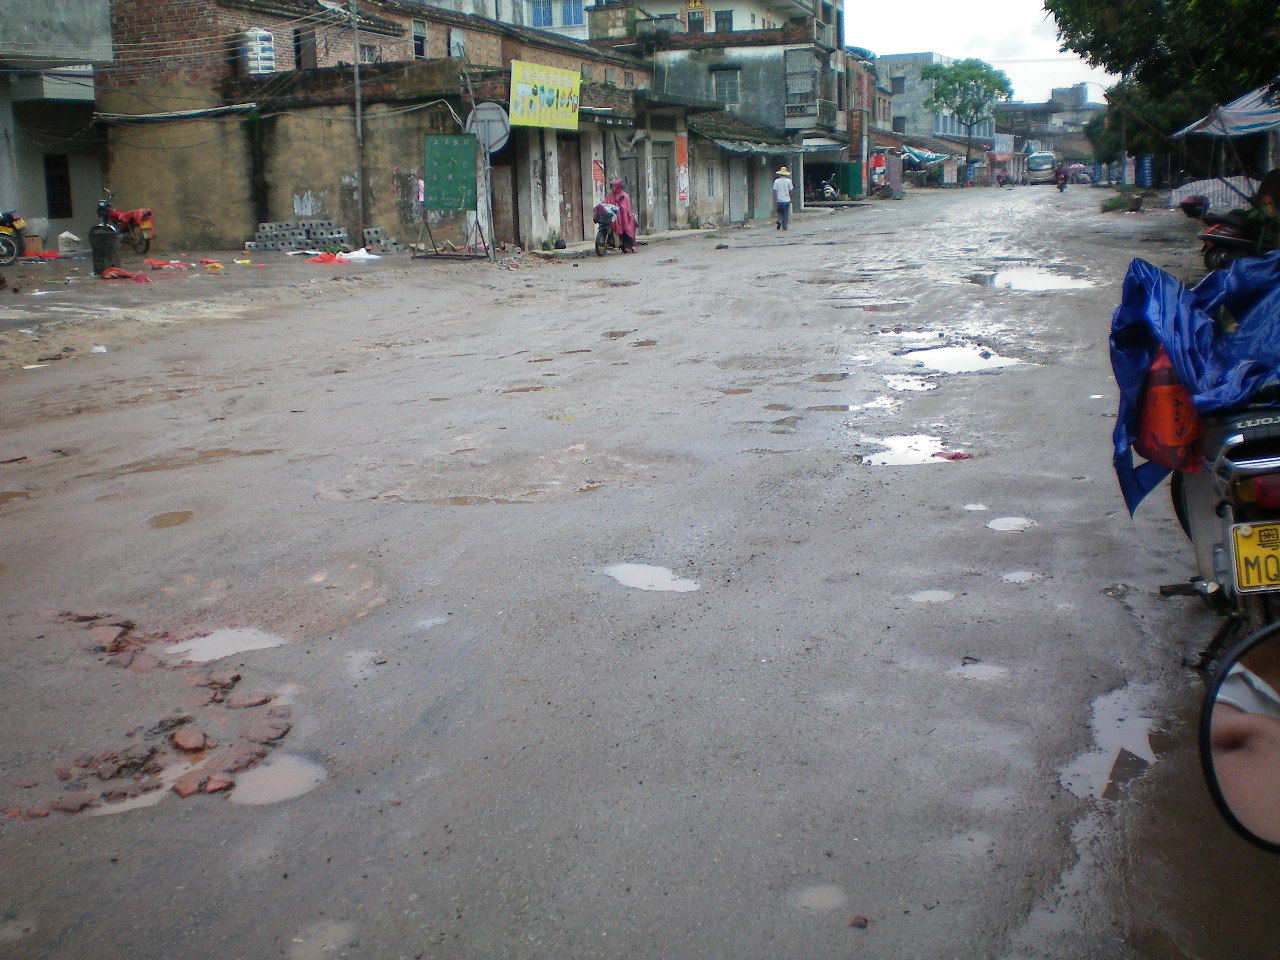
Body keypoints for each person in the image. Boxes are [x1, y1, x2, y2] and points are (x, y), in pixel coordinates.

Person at [605, 178, 637, 253]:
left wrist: (620, 209)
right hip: (614, 216)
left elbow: (626, 208)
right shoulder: (610, 196)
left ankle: (631, 246)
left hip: (624, 217)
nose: (612, 188)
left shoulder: (624, 196)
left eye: (613, 186)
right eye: (611, 187)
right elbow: (606, 203)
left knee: (628, 229)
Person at [773, 166, 794, 230]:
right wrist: (792, 198)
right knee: (785, 214)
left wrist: (775, 200)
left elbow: (775, 191)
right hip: (786, 200)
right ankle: (784, 227)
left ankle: (779, 220)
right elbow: (790, 191)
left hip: (779, 200)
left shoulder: (776, 181)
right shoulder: (789, 181)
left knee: (779, 212)